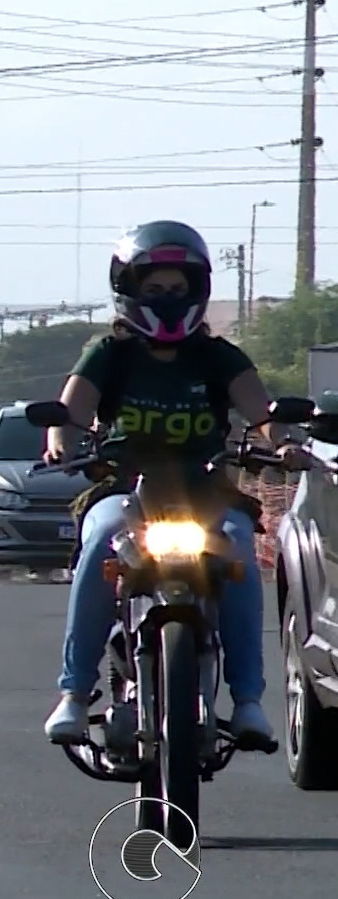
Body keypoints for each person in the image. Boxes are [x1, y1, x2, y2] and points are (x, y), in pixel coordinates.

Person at [42, 221, 319, 745]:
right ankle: (75, 696)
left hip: (205, 491)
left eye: (178, 288)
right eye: (154, 289)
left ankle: (248, 702)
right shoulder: (108, 354)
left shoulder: (218, 357)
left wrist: (282, 443)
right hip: (123, 490)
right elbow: (70, 412)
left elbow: (263, 412)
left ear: (197, 290)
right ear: (129, 291)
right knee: (100, 541)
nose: (167, 300)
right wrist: (62, 440)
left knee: (237, 548)